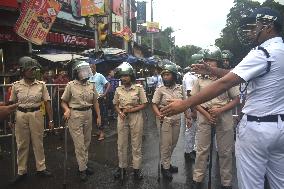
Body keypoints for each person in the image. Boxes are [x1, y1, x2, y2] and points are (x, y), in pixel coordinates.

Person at [161, 7, 284, 189]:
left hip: (257, 131)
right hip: (278, 127)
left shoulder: (262, 52)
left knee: (251, 184)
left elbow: (224, 84)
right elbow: (241, 74)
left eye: (254, 27)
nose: (251, 32)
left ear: (268, 26)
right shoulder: (279, 50)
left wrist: (185, 104)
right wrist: (212, 71)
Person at [191, 45, 239, 189]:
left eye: (212, 60)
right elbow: (193, 100)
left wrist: (220, 110)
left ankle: (226, 181)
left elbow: (237, 99)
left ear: (218, 62)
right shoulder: (199, 80)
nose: (209, 63)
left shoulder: (226, 79)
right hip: (204, 115)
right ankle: (197, 178)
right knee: (201, 150)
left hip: (223, 115)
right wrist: (206, 114)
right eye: (207, 60)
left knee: (225, 152)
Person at [9, 56, 54, 184]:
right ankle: (21, 171)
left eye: (34, 69)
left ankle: (41, 168)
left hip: (36, 114)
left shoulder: (41, 85)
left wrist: (51, 120)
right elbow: (12, 103)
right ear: (23, 71)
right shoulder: (16, 85)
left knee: (38, 142)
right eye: (30, 69)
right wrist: (11, 120)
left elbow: (47, 103)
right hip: (20, 115)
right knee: (22, 144)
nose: (33, 71)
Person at [61, 59, 101, 182]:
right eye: (83, 70)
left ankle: (84, 164)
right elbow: (63, 101)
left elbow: (95, 101)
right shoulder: (70, 85)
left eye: (86, 70)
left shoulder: (91, 84)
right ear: (77, 72)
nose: (85, 72)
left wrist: (99, 116)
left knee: (87, 142)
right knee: (79, 144)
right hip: (75, 114)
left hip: (88, 114)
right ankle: (82, 169)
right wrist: (67, 110)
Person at [152, 61, 190, 181]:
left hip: (177, 119)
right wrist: (159, 115)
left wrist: (188, 117)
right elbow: (153, 104)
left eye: (168, 74)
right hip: (165, 119)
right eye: (164, 75)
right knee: (166, 145)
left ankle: (166, 162)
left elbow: (184, 104)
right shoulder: (160, 89)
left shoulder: (180, 88)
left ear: (173, 75)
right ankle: (165, 167)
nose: (165, 77)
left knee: (173, 143)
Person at [113, 62, 147, 180]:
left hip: (136, 116)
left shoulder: (138, 88)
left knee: (136, 144)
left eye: (126, 76)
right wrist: (120, 112)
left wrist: (132, 109)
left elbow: (144, 104)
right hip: (122, 117)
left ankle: (136, 169)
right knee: (121, 144)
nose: (123, 78)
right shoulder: (118, 89)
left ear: (131, 76)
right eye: (122, 76)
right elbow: (116, 104)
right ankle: (121, 167)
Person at [182, 54, 200, 160]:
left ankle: (193, 149)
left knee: (195, 129)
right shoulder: (190, 77)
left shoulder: (195, 75)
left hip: (194, 105)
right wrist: (194, 110)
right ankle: (188, 152)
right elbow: (190, 94)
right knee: (190, 129)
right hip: (191, 106)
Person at [89, 64, 110, 141]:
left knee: (100, 115)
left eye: (91, 67)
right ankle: (98, 130)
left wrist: (104, 93)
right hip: (91, 99)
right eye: (89, 67)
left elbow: (108, 84)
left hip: (99, 99)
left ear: (94, 68)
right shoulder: (89, 77)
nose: (90, 69)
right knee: (94, 115)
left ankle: (102, 133)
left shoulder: (99, 75)